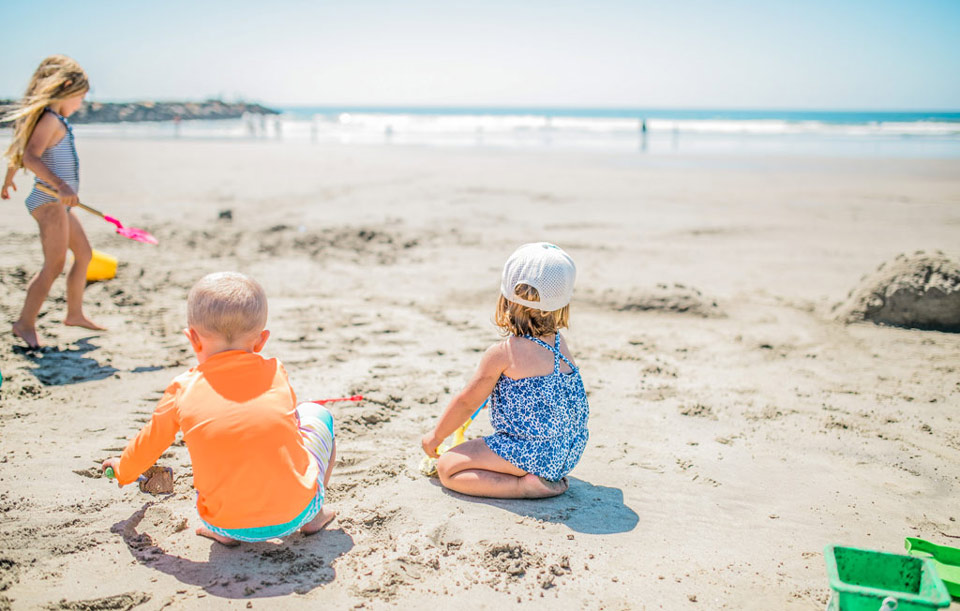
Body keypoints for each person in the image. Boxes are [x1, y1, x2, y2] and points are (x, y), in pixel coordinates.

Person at [101, 272, 337, 546]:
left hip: (224, 522)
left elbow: (149, 444)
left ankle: (224, 534)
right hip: (296, 513)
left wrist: (122, 470)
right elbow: (292, 429)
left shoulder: (182, 388)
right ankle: (314, 517)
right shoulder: (276, 372)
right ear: (261, 341)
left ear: (193, 339)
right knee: (318, 415)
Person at [421, 243, 590, 498]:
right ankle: (537, 476)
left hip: (530, 452)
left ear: (505, 299)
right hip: (566, 453)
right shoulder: (559, 344)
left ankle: (523, 486)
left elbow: (467, 402)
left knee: (448, 468)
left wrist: (436, 436)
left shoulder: (503, 353)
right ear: (562, 305)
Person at [1, 55, 103, 349]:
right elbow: (31, 155)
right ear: (68, 87)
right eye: (81, 97)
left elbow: (22, 148)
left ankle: (74, 313)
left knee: (84, 254)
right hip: (49, 201)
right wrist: (60, 185)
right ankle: (24, 323)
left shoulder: (55, 119)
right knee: (54, 265)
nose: (81, 104)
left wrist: (8, 178)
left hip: (60, 204)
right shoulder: (49, 119)